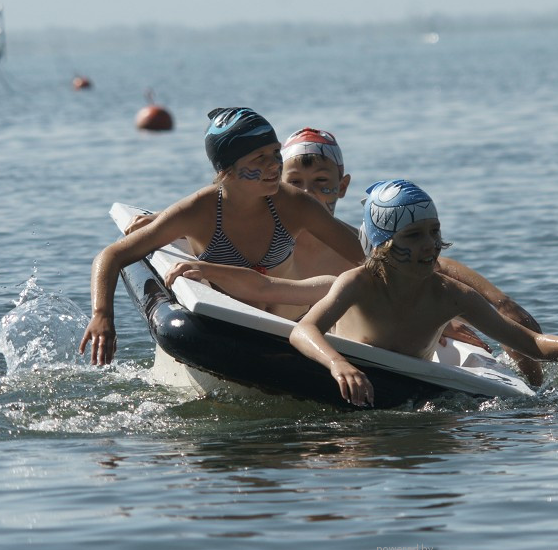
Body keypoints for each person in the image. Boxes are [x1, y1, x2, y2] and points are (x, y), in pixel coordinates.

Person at [289, 180, 558, 407]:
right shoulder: (358, 283)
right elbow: (303, 330)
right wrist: (338, 364)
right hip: (350, 369)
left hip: (414, 381)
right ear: (381, 245)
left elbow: (528, 342)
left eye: (434, 231)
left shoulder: (451, 295)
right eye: (413, 236)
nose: (430, 245)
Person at [79, 107, 364, 365]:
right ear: (228, 169)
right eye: (260, 158)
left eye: (276, 152)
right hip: (225, 333)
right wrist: (102, 314)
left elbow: (366, 259)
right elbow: (111, 255)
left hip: (290, 328)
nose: (275, 165)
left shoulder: (295, 205)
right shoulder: (197, 211)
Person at [278, 128, 547, 385]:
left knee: (512, 319)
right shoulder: (269, 247)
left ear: (343, 186)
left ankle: (535, 398)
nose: (306, 194)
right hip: (306, 337)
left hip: (366, 344)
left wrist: (499, 302)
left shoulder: (364, 247)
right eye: (295, 183)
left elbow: (428, 266)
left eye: (320, 182)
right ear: (279, 187)